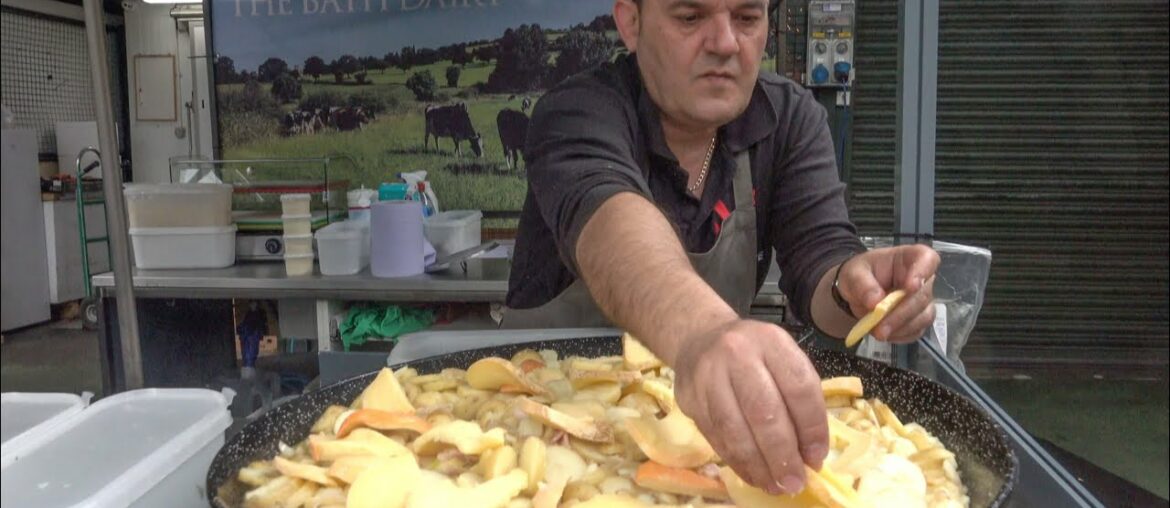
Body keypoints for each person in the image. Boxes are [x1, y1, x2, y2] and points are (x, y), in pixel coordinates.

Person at [504, 0, 941, 496]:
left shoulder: (788, 119)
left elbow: (821, 264)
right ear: (631, 23)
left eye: (747, 18)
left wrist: (854, 288)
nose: (726, 43)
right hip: (539, 424)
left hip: (709, 438)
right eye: (690, 18)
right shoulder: (578, 111)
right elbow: (610, 225)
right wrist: (705, 332)